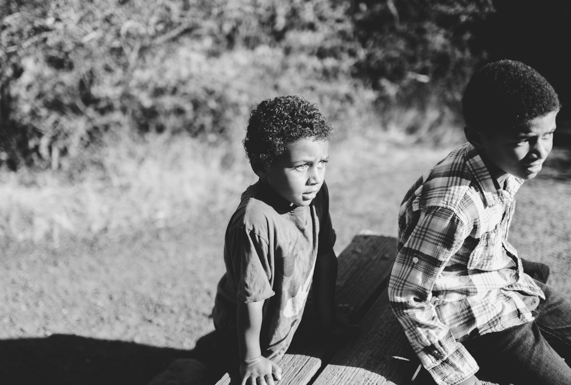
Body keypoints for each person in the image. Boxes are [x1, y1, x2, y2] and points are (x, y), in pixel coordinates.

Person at [388, 59, 570, 385]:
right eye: (523, 139)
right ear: (477, 137)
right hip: (474, 319)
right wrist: (459, 375)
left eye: (549, 134)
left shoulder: (504, 164)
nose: (540, 152)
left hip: (504, 284)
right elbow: (407, 296)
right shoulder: (453, 206)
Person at [212, 95, 353, 385]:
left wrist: (327, 320)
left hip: (284, 321)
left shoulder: (315, 195)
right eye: (301, 166)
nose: (315, 177)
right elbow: (251, 300)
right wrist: (251, 359)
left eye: (322, 162)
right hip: (246, 338)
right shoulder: (255, 222)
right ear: (262, 166)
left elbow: (324, 254)